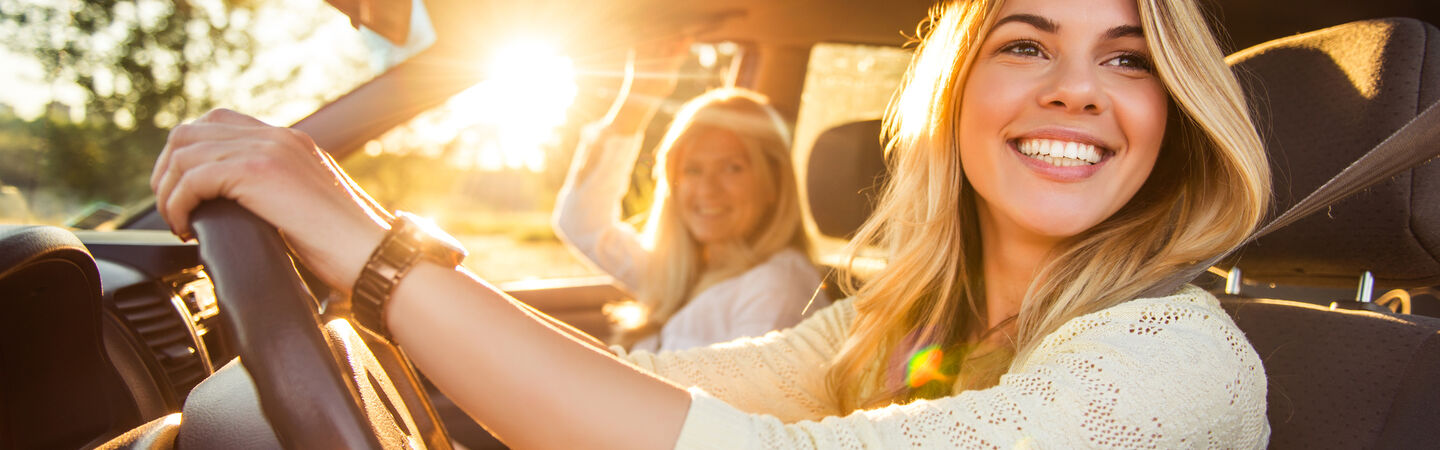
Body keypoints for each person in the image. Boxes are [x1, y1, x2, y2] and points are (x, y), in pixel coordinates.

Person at [150, 0, 1272, 446]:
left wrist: (374, 248)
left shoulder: (1178, 366)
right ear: (956, 95)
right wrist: (388, 331)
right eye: (1025, 44)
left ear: (1171, 117)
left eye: (1127, 60)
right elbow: (665, 399)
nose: (1076, 88)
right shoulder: (895, 325)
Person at [553, 43, 829, 351]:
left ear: (773, 183)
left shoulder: (777, 287)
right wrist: (641, 95)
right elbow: (582, 224)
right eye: (693, 170)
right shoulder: (680, 270)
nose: (707, 189)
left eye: (732, 168)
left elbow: (737, 399)